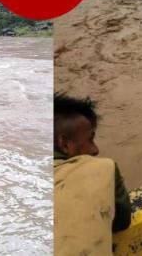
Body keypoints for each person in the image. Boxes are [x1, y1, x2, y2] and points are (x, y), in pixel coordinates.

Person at [54, 93, 131, 254]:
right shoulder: (105, 168)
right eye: (90, 139)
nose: (95, 150)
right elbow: (121, 221)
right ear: (64, 144)